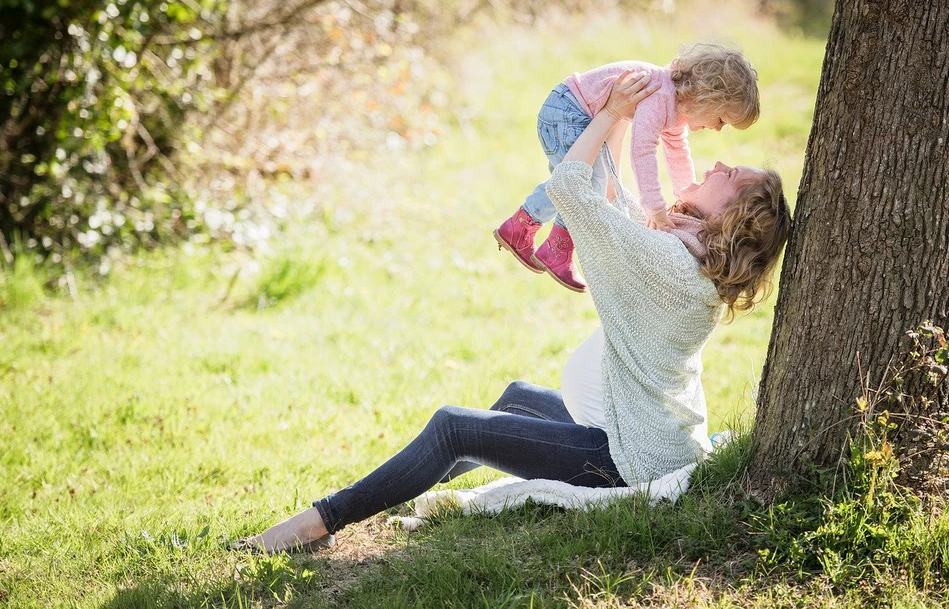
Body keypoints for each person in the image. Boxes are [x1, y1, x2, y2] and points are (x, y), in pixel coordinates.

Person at [234, 71, 790, 554]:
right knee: (516, 398)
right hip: (640, 431)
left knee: (454, 427)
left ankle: (319, 522)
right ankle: (385, 492)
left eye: (732, 175)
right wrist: (620, 119)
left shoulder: (670, 263)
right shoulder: (688, 258)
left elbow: (572, 188)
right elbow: (615, 205)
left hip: (626, 457)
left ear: (734, 217)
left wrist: (614, 114)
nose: (718, 162)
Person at [494, 44, 760, 293]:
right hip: (567, 112)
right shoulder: (661, 96)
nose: (716, 128)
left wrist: (685, 194)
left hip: (570, 111)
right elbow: (642, 150)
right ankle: (554, 247)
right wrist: (654, 206)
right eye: (721, 119)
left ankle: (521, 228)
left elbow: (677, 152)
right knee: (582, 183)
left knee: (580, 181)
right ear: (706, 98)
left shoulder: (676, 106)